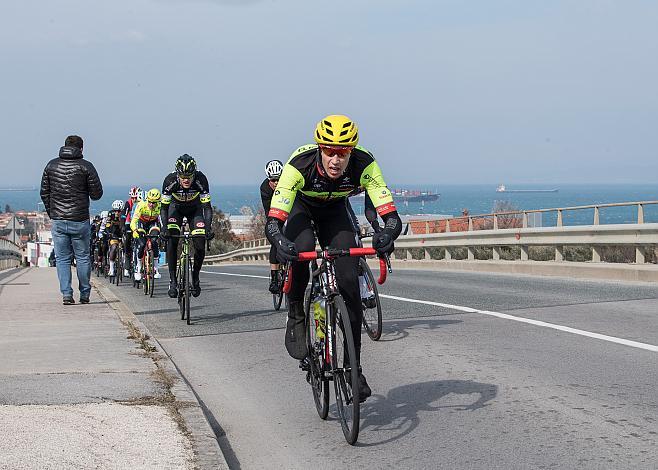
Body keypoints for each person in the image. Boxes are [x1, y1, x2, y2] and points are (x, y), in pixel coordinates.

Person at [264, 115, 402, 401]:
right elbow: (274, 223)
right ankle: (297, 313)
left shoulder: (365, 164)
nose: (336, 160)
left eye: (342, 152)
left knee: (349, 280)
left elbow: (391, 217)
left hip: (335, 210)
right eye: (329, 151)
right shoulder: (298, 166)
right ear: (319, 149)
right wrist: (280, 242)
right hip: (302, 207)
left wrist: (386, 234)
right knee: (301, 251)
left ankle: (354, 368)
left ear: (351, 151)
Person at [40, 135, 103, 305]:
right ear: (82, 148)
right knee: (82, 257)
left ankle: (66, 294)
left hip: (59, 219)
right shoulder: (86, 167)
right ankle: (85, 293)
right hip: (80, 219)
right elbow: (97, 194)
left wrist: (53, 212)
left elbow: (44, 193)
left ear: (64, 146)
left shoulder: (51, 165)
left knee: (62, 259)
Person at [159, 154, 214, 298]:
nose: (186, 179)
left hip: (194, 210)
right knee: (171, 239)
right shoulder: (169, 181)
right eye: (182, 176)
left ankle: (195, 277)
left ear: (194, 173)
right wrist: (164, 228)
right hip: (175, 209)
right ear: (177, 174)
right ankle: (172, 281)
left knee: (200, 243)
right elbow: (163, 208)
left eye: (189, 176)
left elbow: (207, 207)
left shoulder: (201, 180)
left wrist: (207, 228)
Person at [260, 159, 284, 293]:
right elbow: (269, 210)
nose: (276, 183)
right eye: (273, 180)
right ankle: (275, 278)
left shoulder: (288, 184)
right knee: (276, 242)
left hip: (289, 213)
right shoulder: (264, 188)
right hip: (273, 214)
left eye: (278, 180)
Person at [130, 188, 163, 281]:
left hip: (153, 223)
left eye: (154, 203)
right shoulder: (141, 205)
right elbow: (134, 220)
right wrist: (134, 230)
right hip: (142, 223)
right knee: (141, 244)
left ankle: (156, 268)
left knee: (154, 241)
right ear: (147, 200)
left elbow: (163, 220)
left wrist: (164, 230)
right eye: (150, 202)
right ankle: (138, 268)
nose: (152, 204)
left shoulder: (160, 206)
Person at [99, 200, 124, 277]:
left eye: (118, 211)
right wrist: (106, 233)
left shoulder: (124, 214)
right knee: (113, 247)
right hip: (113, 233)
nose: (117, 213)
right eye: (115, 211)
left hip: (121, 233)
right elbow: (105, 225)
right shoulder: (110, 215)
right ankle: (112, 269)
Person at [121, 186, 142, 276]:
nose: (133, 199)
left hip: (139, 222)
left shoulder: (141, 202)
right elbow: (123, 216)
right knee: (128, 242)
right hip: (129, 223)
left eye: (135, 197)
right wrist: (122, 226)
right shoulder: (128, 203)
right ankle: (127, 266)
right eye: (132, 197)